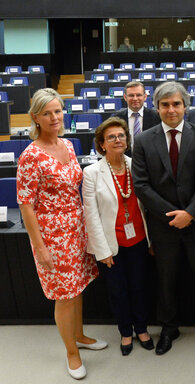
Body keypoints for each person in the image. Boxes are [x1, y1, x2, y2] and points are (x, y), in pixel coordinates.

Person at [17, 88, 105, 380]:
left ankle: (79, 335)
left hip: (77, 228)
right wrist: (40, 248)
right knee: (64, 296)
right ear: (35, 118)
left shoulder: (68, 144)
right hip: (51, 235)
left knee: (77, 287)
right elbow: (26, 205)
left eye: (58, 111)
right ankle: (71, 351)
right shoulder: (30, 155)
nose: (54, 117)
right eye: (47, 113)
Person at [131, 81, 195, 355]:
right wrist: (171, 215)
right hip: (164, 226)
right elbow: (142, 184)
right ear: (156, 107)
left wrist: (191, 212)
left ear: (185, 106)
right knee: (166, 281)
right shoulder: (144, 139)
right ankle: (169, 328)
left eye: (176, 104)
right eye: (165, 105)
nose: (171, 110)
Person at [82, 117, 153, 356]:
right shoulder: (91, 173)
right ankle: (125, 331)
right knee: (118, 291)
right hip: (112, 245)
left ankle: (141, 328)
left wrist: (151, 241)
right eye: (111, 137)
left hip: (139, 239)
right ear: (101, 144)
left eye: (121, 135)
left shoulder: (137, 166)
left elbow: (146, 208)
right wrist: (101, 251)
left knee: (140, 287)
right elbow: (91, 215)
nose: (117, 140)